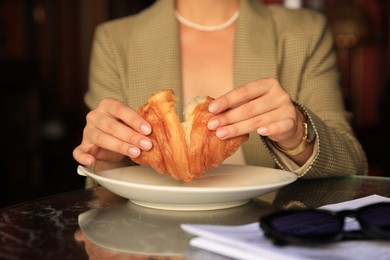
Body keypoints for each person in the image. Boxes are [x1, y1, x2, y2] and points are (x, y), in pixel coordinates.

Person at [73, 0, 367, 184]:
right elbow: (102, 191)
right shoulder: (115, 40)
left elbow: (351, 166)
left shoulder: (304, 32)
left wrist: (296, 134)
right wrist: (109, 158)